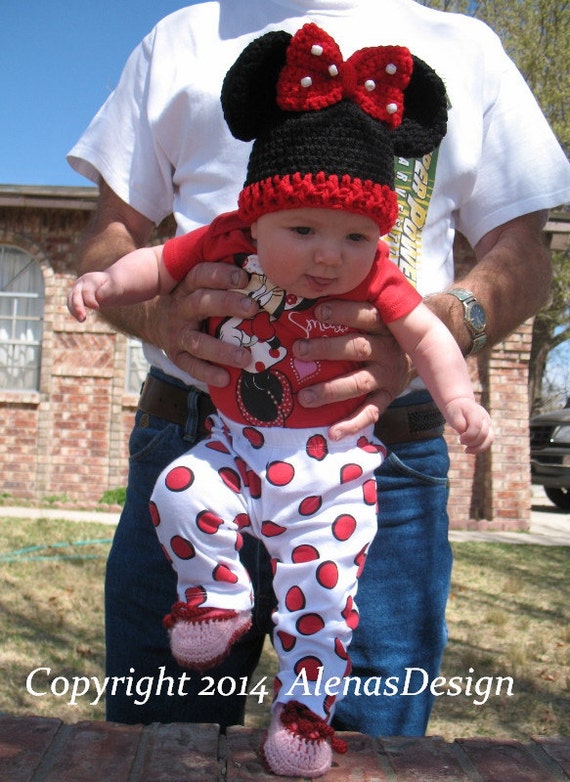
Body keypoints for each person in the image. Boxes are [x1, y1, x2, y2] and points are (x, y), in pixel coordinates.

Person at [67, 0, 570, 738]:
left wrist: (431, 329)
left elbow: (527, 258)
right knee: (155, 743)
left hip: (379, 460)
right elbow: (112, 240)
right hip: (200, 437)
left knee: (366, 745)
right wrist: (150, 311)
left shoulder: (468, 47)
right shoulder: (182, 36)